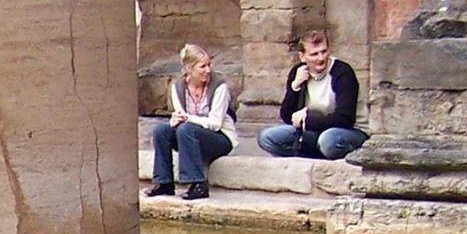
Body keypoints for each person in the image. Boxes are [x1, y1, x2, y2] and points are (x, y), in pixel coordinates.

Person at [258, 29, 367, 161]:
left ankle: (318, 155)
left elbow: (345, 118)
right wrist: (295, 86)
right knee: (266, 137)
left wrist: (308, 121)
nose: (321, 58)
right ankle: (311, 156)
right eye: (314, 54)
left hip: (346, 131)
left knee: (328, 141)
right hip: (314, 131)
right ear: (302, 56)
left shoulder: (342, 72)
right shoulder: (299, 71)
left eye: (324, 52)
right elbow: (287, 116)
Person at [146, 43, 233, 200]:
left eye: (209, 65)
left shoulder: (219, 85)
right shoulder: (177, 87)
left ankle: (198, 184)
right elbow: (181, 116)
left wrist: (187, 118)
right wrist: (175, 120)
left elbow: (215, 123)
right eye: (202, 66)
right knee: (161, 130)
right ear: (189, 68)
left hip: (220, 137)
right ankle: (164, 182)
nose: (208, 70)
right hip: (188, 136)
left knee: (186, 129)